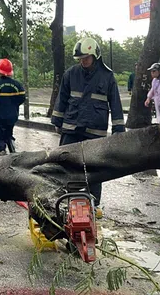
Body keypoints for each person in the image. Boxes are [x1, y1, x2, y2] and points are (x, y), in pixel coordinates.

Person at [51, 38, 125, 217]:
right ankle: (66, 200)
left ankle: (93, 203)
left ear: (95, 56)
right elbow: (62, 98)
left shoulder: (107, 76)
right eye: (80, 58)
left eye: (86, 58)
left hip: (95, 130)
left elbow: (115, 103)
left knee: (95, 168)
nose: (83, 61)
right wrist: (57, 121)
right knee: (66, 164)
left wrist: (118, 129)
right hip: (71, 126)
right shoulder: (71, 73)